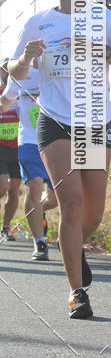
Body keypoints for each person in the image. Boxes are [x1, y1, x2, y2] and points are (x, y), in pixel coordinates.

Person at [9, 0, 111, 319]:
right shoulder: (40, 22)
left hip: (96, 123)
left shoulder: (106, 20)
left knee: (92, 211)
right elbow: (14, 72)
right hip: (55, 122)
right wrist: (26, 57)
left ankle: (74, 246)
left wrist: (105, 51)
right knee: (71, 203)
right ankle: (77, 292)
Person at [0, 66, 57, 260]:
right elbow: (5, 103)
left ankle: (38, 212)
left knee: (56, 199)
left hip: (56, 142)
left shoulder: (61, 73)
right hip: (28, 142)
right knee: (33, 187)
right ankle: (39, 242)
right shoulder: (20, 76)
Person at [0, 59, 21, 241]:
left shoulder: (22, 93)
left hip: (18, 147)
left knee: (14, 191)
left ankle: (6, 227)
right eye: (3, 71)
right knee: (2, 187)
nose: (7, 74)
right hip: (0, 148)